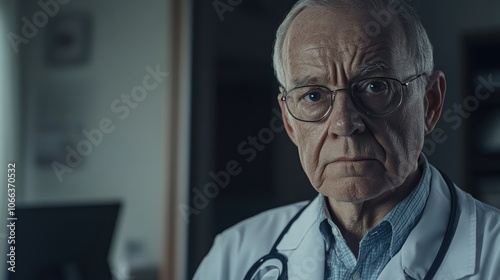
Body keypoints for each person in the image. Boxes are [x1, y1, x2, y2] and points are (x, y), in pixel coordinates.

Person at [193, 0, 500, 279]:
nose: (344, 123)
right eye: (313, 95)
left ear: (429, 103)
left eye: (375, 87)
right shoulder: (234, 256)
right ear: (289, 121)